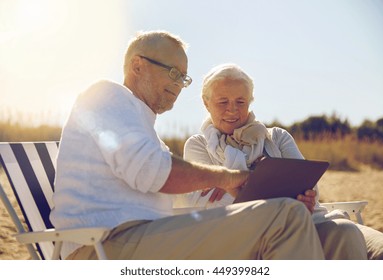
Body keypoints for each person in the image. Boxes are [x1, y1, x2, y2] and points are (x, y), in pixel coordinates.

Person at [49, 30, 326, 260]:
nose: (180, 85)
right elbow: (154, 171)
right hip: (106, 247)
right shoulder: (105, 94)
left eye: (184, 78)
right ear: (137, 66)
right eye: (173, 73)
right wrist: (229, 177)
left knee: (294, 225)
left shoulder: (143, 127)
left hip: (145, 240)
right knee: (285, 216)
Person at [179, 63, 383, 260]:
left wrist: (305, 197)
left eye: (240, 102)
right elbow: (209, 204)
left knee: (346, 231)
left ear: (250, 102)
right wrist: (281, 200)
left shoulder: (277, 137)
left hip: (303, 219)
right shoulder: (198, 145)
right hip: (243, 234)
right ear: (206, 103)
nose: (232, 109)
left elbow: (309, 186)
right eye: (223, 102)